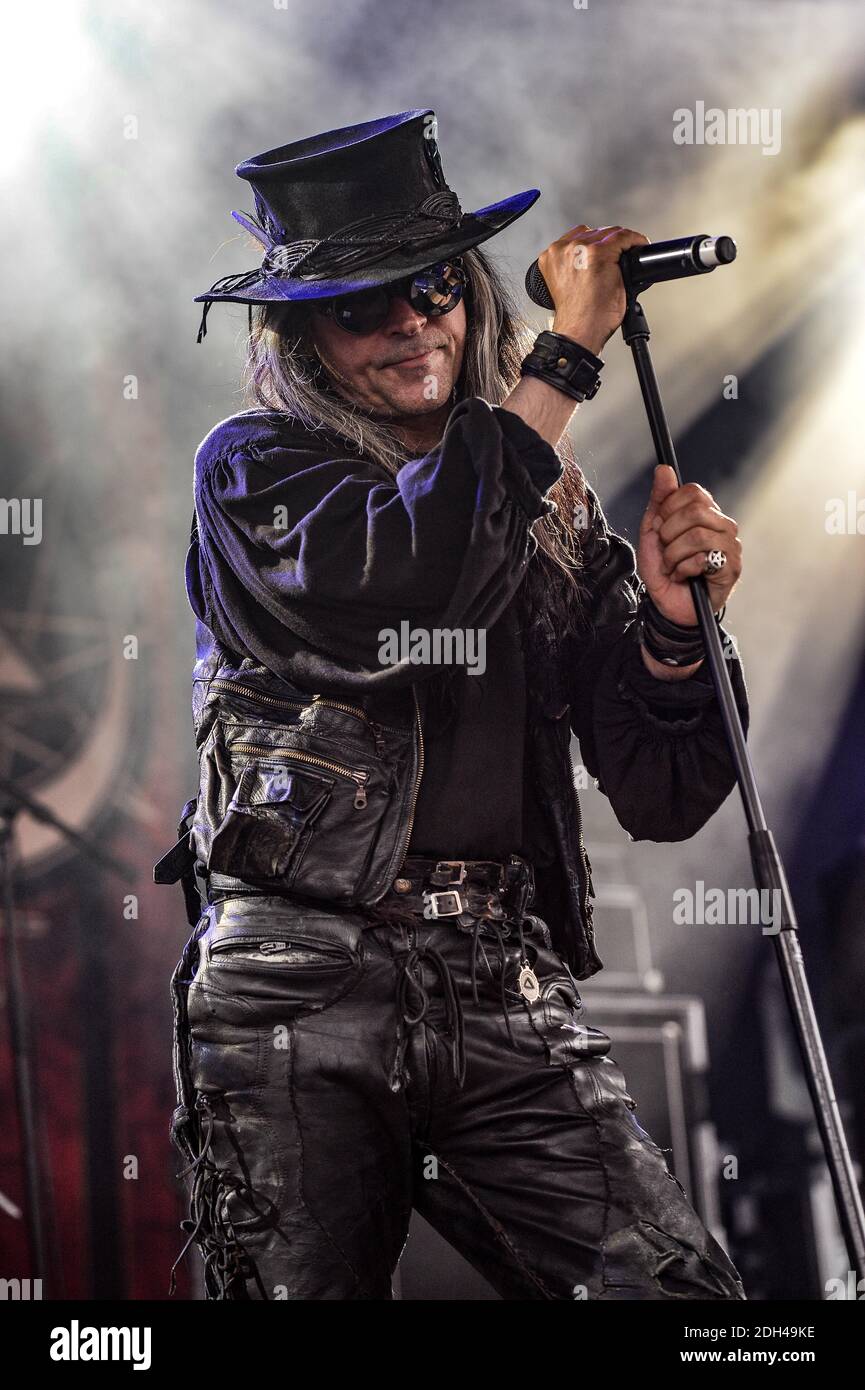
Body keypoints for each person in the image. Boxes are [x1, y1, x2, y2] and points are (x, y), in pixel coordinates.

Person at [156, 108, 748, 1301]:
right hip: (298, 986)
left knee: (683, 1304)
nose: (406, 324)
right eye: (357, 305)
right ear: (304, 338)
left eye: (428, 286)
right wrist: (568, 354)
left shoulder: (549, 503)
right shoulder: (257, 473)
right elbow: (417, 573)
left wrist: (679, 632)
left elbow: (661, 789)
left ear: (467, 289)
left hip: (496, 981)